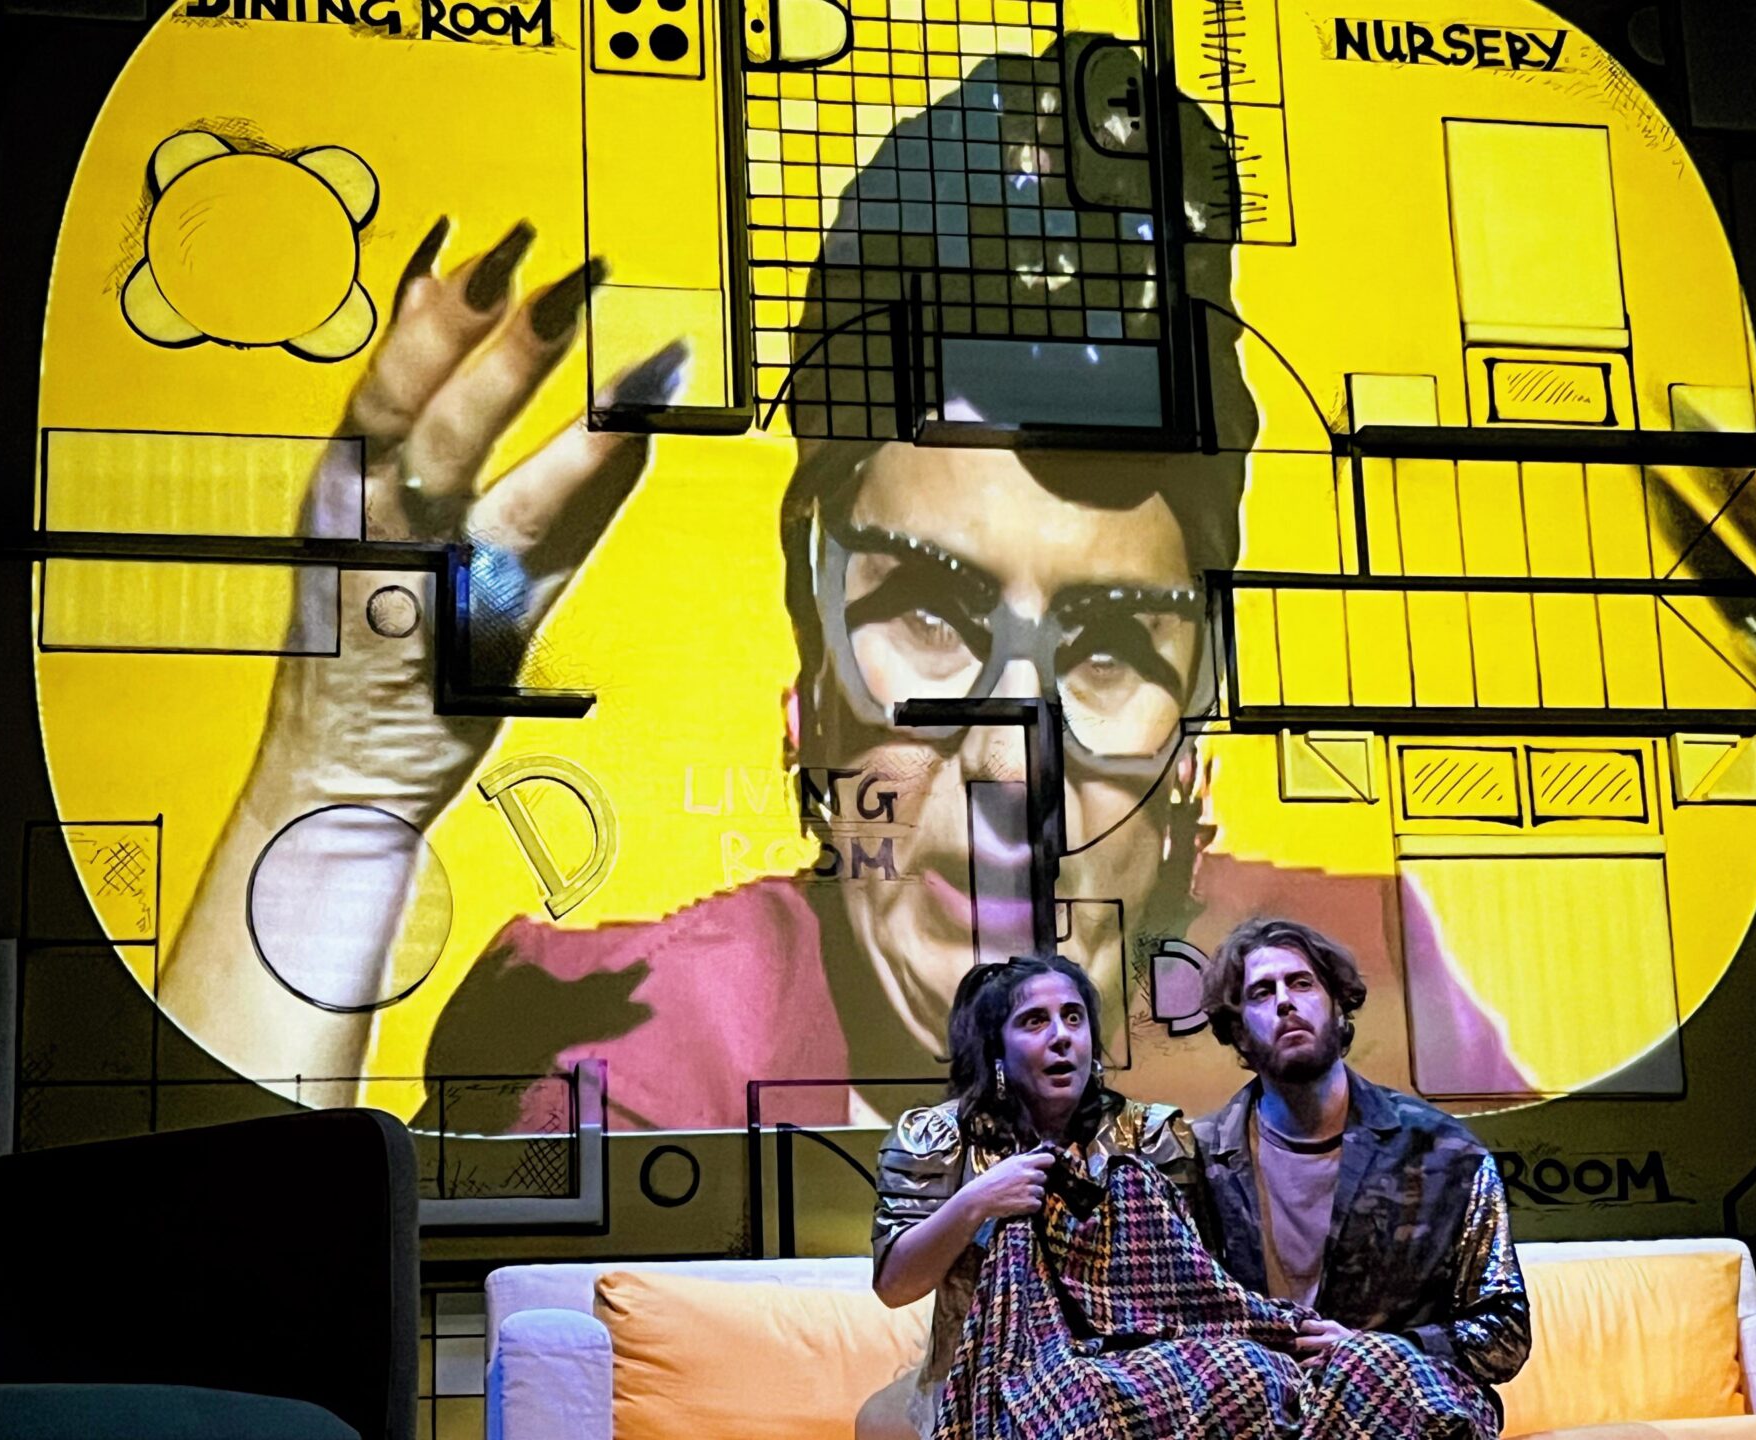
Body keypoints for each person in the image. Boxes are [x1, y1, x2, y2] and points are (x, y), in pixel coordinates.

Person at [157, 40, 1523, 1133]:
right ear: (808, 686)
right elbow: (212, 1348)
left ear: (1196, 746)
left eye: (1111, 650)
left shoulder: (1363, 992)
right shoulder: (629, 1051)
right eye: (928, 617)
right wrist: (337, 788)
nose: (1011, 764)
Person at [864, 952, 1270, 1439]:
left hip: (1139, 1387)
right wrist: (976, 1202)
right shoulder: (941, 1138)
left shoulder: (1147, 1135)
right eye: (1034, 1021)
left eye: (1073, 1018)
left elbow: (1197, 1285)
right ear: (997, 1051)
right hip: (984, 1398)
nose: (1061, 1036)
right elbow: (896, 1286)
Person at [1192, 917, 1532, 1437]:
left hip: (1410, 1401)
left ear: (1337, 1006)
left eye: (1301, 983)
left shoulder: (1444, 1153)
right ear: (1238, 1031)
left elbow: (1504, 1332)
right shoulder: (1198, 1160)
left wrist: (1379, 1351)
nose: (1284, 1002)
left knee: (1366, 1374)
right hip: (1263, 1403)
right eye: (1261, 992)